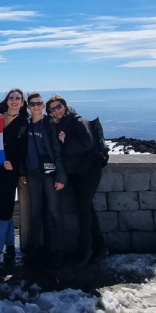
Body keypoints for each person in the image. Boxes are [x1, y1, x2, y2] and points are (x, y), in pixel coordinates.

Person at [46, 94, 105, 267]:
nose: (56, 111)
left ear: (65, 106)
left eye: (58, 106)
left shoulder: (78, 120)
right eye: (52, 109)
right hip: (77, 172)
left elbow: (87, 143)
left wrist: (66, 140)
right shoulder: (60, 123)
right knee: (86, 208)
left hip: (89, 170)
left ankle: (85, 250)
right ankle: (99, 247)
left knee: (83, 208)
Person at [19, 91, 66, 267]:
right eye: (33, 104)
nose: (36, 106)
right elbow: (22, 149)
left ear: (43, 105)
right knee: (35, 210)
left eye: (39, 103)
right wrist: (22, 171)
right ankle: (35, 247)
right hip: (32, 172)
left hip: (50, 173)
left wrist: (61, 175)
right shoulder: (25, 124)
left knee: (54, 210)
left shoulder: (50, 124)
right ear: (28, 106)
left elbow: (57, 151)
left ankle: (57, 249)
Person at [0, 88, 28, 264]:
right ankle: (10, 247)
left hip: (9, 170)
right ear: (7, 100)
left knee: (4, 207)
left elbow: (23, 147)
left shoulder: (24, 121)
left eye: (18, 98)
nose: (14, 100)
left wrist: (14, 163)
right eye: (11, 98)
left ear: (22, 103)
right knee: (3, 207)